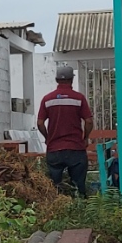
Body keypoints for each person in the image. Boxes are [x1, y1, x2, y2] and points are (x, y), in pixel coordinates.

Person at [36, 64, 93, 196]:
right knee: (78, 187)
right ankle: (79, 204)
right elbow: (89, 121)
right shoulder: (79, 98)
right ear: (71, 80)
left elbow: (40, 123)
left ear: (57, 80)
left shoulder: (47, 99)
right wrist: (85, 138)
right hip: (76, 149)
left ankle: (58, 205)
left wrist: (48, 138)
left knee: (55, 188)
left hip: (54, 149)